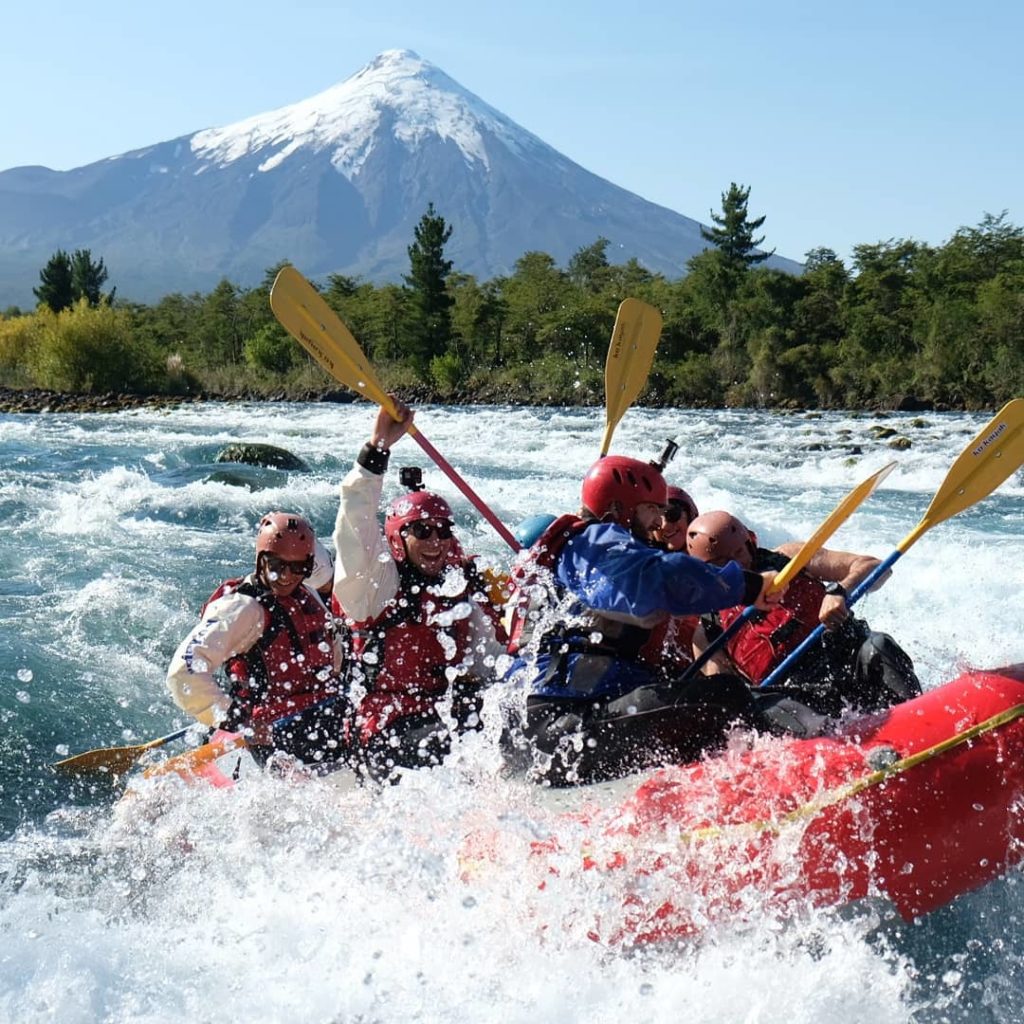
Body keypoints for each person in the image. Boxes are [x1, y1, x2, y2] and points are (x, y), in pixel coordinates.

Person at [501, 455, 826, 787]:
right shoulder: (594, 545)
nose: (657, 524)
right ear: (619, 509)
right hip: (560, 729)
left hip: (537, 734)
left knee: (689, 697)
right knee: (723, 696)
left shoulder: (565, 556)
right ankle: (804, 769)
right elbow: (654, 582)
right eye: (650, 511)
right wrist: (748, 586)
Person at [332, 399, 507, 783]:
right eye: (422, 531)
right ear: (398, 538)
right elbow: (354, 525)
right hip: (384, 726)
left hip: (442, 713)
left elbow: (490, 661)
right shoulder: (374, 584)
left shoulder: (456, 587)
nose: (435, 541)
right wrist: (377, 446)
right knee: (446, 752)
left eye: (443, 531)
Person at [685, 510, 921, 716]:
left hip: (846, 659)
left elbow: (877, 567)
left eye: (738, 553)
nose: (737, 567)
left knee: (878, 645)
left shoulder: (789, 558)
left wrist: (840, 591)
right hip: (795, 697)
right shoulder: (707, 632)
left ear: (750, 543)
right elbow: (732, 700)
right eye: (722, 564)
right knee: (767, 707)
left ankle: (919, 716)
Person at [167, 512, 347, 768]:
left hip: (320, 714)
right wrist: (234, 718)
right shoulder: (242, 608)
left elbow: (336, 662)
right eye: (276, 566)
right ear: (261, 560)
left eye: (298, 568)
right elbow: (183, 671)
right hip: (271, 729)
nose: (286, 576)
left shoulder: (308, 596)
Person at [650, 485, 699, 552]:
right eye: (656, 521)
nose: (664, 526)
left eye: (672, 514)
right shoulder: (644, 559)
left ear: (690, 514)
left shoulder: (715, 549)